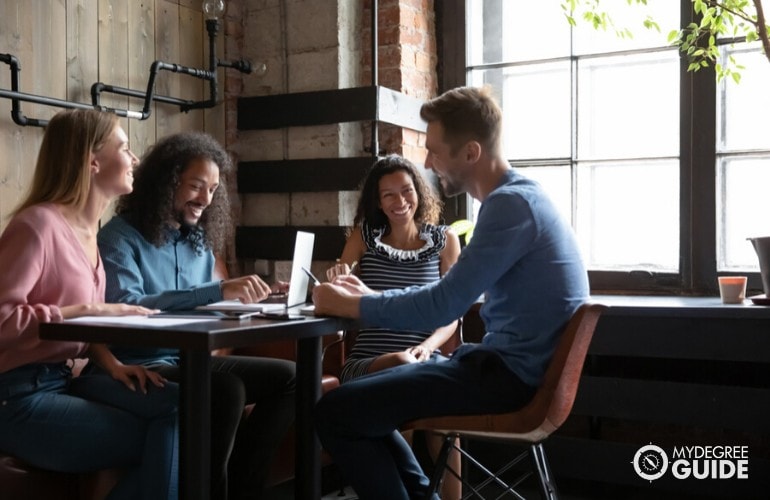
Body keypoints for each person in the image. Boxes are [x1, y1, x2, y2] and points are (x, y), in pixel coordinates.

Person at [312, 86, 590, 500]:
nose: (427, 162)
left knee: (334, 412)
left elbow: (443, 304)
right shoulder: (521, 199)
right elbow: (448, 296)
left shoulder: (510, 206)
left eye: (436, 151)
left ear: (471, 153)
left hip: (508, 379)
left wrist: (352, 304)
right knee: (358, 405)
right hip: (506, 370)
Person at [94, 131, 296, 500]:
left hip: (188, 360)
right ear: (165, 182)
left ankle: (238, 489)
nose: (205, 199)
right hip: (140, 362)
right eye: (195, 186)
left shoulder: (198, 245)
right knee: (225, 390)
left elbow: (203, 309)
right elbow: (128, 306)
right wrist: (218, 291)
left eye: (213, 189)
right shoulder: (119, 238)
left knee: (292, 378)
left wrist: (255, 300)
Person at [0, 109, 179, 500]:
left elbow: (83, 325)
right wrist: (82, 312)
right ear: (92, 161)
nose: (134, 160)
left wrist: (113, 365)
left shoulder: (87, 232)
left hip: (63, 381)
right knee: (170, 430)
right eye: (125, 148)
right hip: (16, 396)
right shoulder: (37, 226)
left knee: (185, 404)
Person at [325, 154, 463, 498]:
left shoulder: (445, 241)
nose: (399, 201)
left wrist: (429, 346)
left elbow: (453, 313)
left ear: (419, 192)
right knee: (404, 369)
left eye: (406, 191)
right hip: (368, 362)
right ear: (377, 201)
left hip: (424, 357)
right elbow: (338, 287)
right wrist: (339, 276)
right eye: (388, 194)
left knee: (444, 418)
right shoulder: (364, 237)